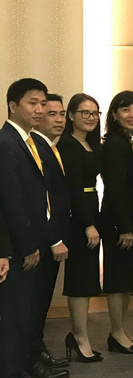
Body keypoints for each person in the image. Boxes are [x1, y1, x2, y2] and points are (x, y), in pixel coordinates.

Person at [0, 79, 68, 378]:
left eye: (43, 103)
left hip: (33, 241)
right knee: (15, 318)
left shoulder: (28, 140)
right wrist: (27, 246)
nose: (40, 109)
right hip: (17, 247)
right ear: (13, 106)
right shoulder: (6, 143)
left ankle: (25, 364)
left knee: (27, 315)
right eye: (32, 103)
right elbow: (11, 202)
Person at [57, 93, 104, 363]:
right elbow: (73, 188)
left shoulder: (88, 143)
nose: (90, 118)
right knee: (79, 278)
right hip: (79, 217)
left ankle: (80, 334)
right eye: (84, 112)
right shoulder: (69, 145)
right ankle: (79, 337)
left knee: (86, 278)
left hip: (90, 208)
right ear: (71, 115)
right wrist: (87, 224)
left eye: (95, 113)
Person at [99, 91, 133, 354]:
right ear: (115, 114)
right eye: (126, 110)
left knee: (128, 279)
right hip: (119, 220)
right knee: (118, 279)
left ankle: (122, 330)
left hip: (132, 219)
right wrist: (124, 227)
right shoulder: (115, 143)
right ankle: (116, 334)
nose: (132, 115)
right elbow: (115, 188)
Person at [30, 94, 71, 371]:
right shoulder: (37, 149)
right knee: (35, 303)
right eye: (52, 113)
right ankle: (32, 356)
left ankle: (37, 350)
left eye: (62, 114)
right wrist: (54, 238)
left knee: (41, 302)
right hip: (42, 241)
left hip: (51, 238)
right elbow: (39, 199)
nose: (59, 119)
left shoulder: (51, 148)